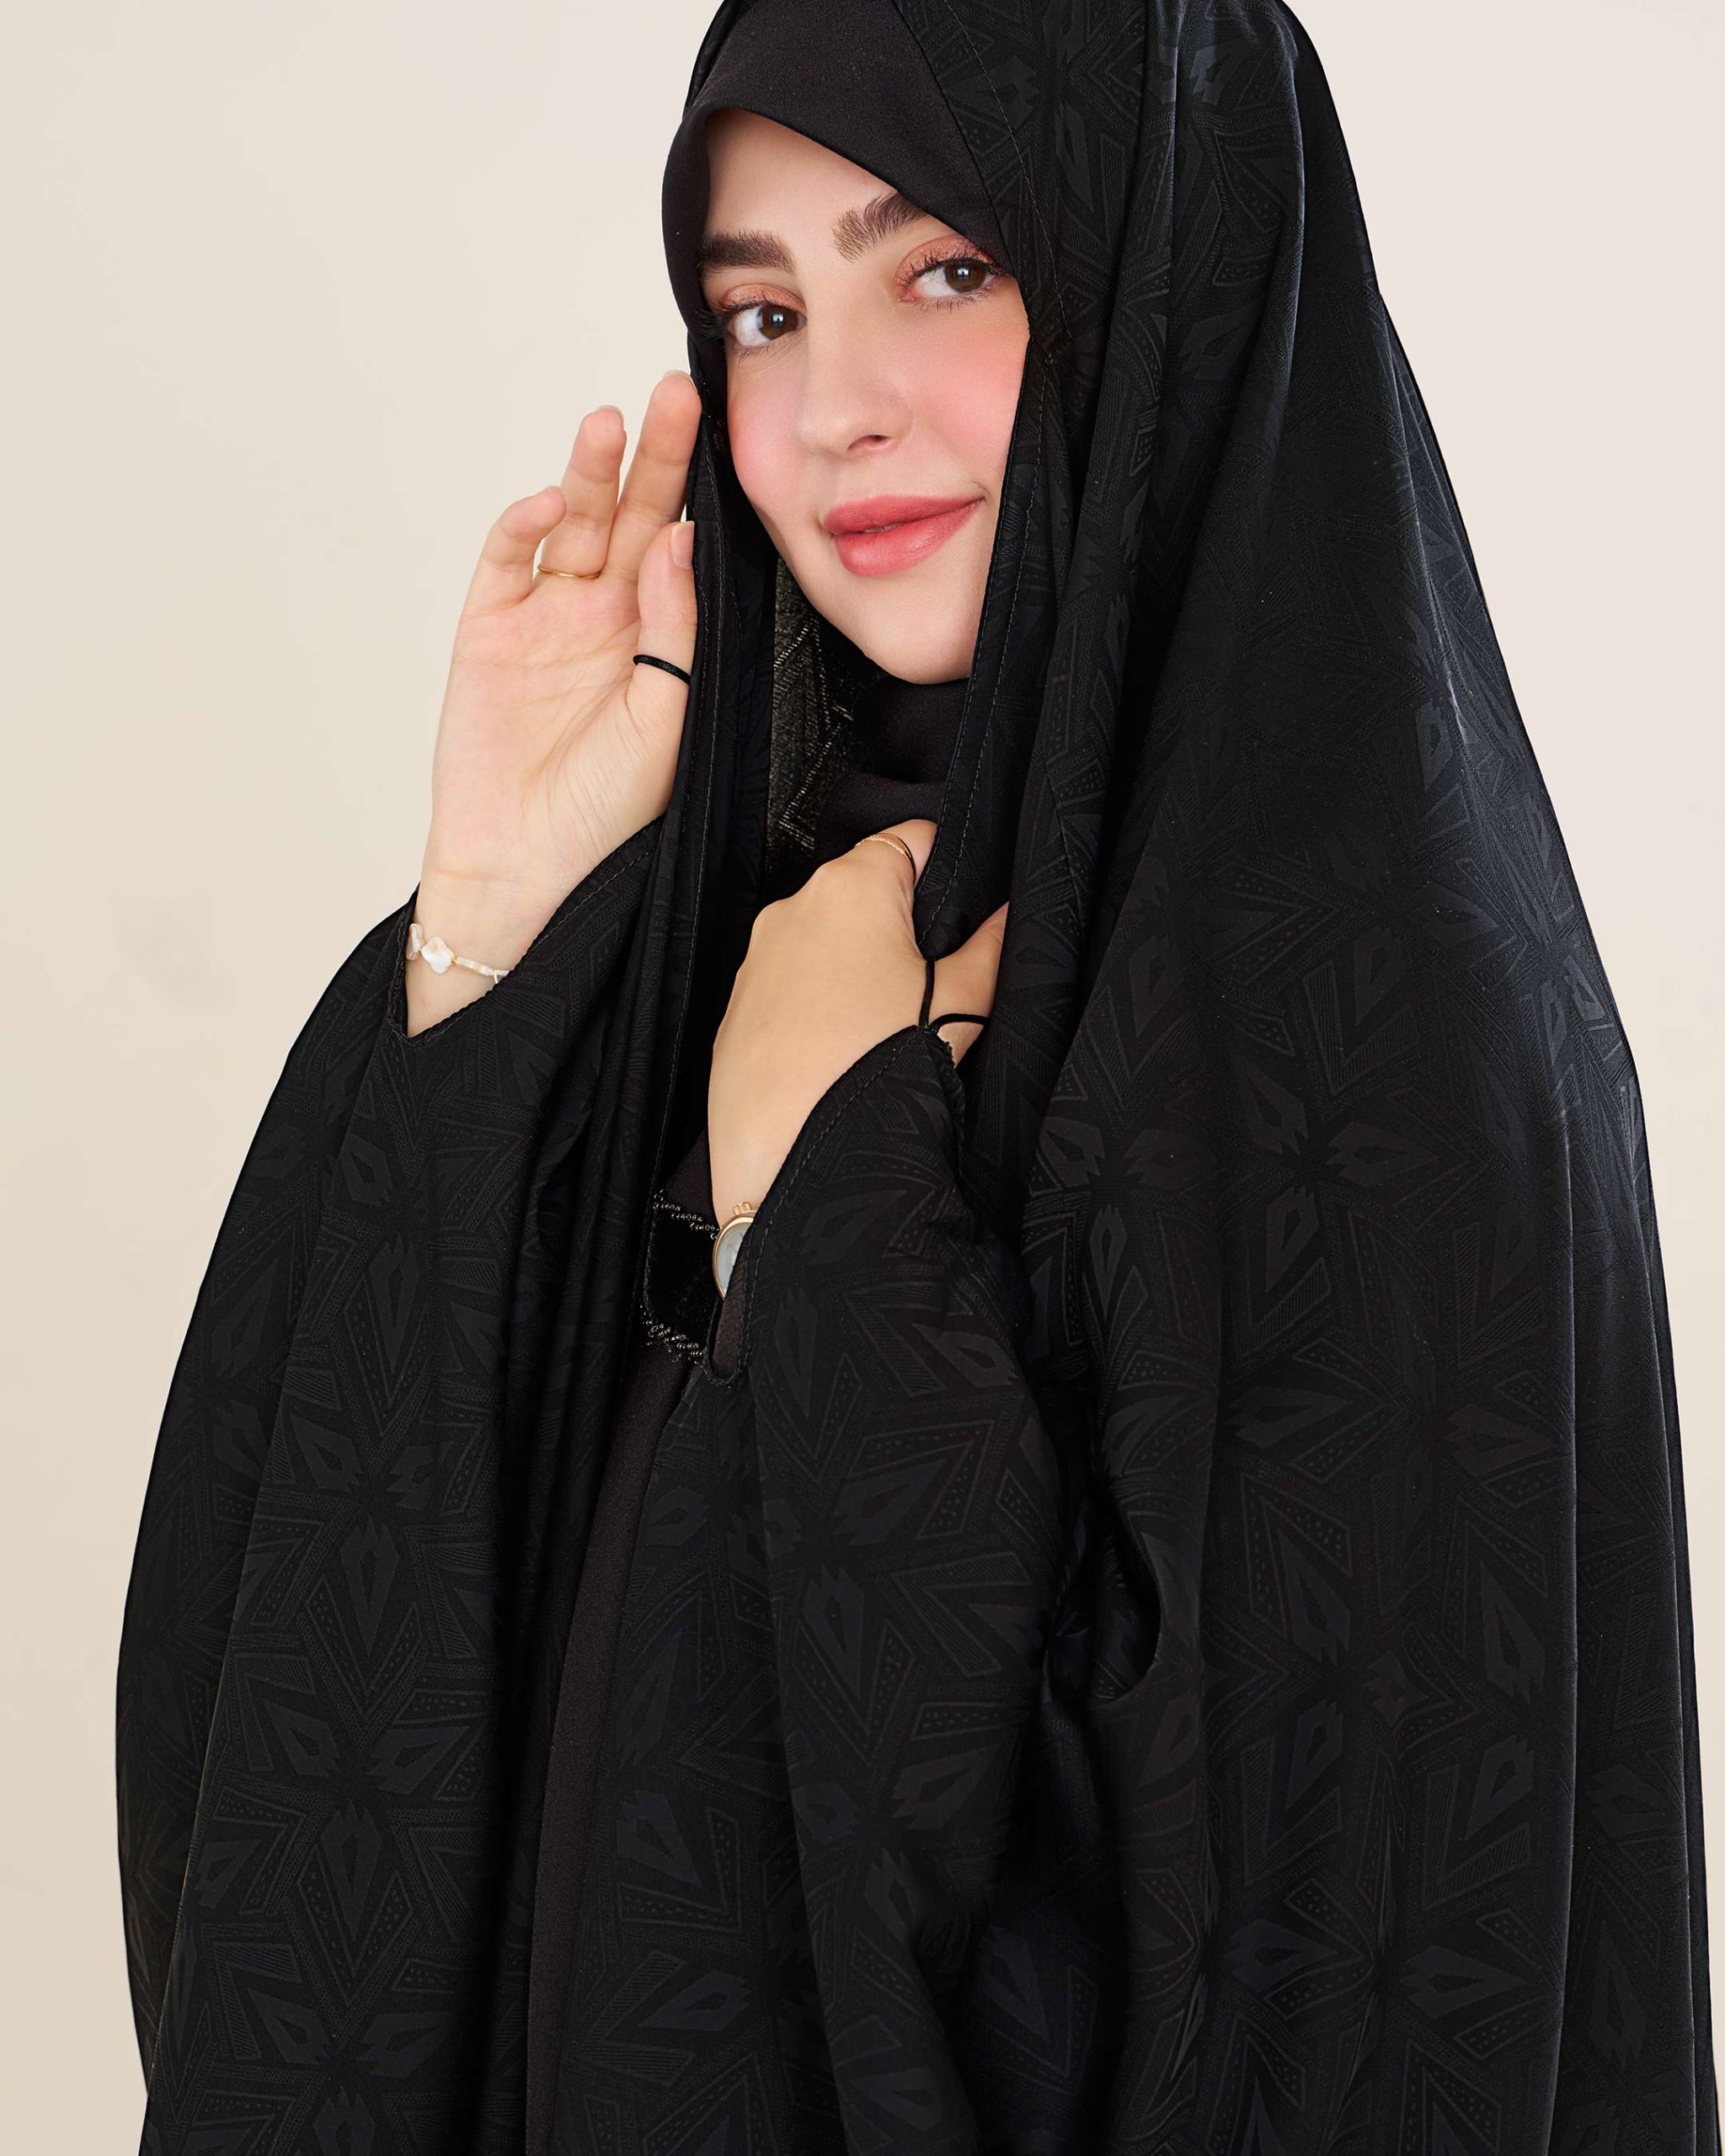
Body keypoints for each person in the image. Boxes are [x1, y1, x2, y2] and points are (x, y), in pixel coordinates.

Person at [116, 1, 1719, 2150]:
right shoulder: (708, 898)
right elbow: (275, 1748)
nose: (836, 410)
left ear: (1163, 265)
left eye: (947, 268)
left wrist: (828, 1203)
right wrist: (485, 930)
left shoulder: (1386, 1047)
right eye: (761, 311)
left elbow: (1301, 1992)